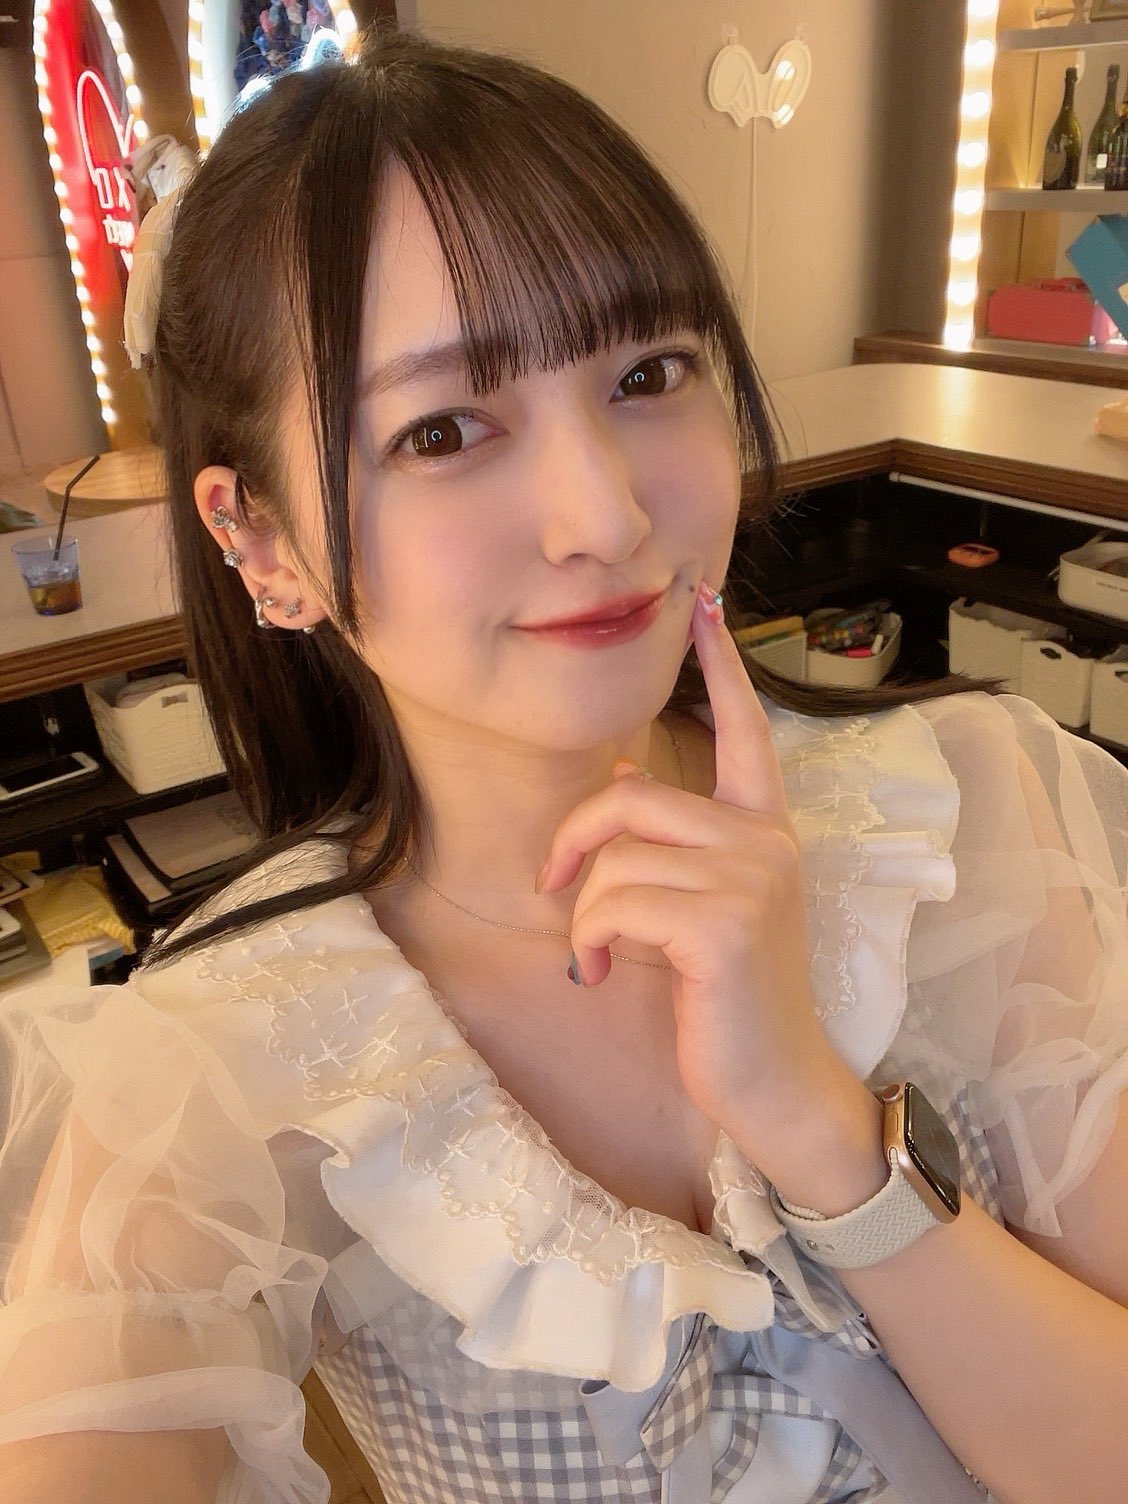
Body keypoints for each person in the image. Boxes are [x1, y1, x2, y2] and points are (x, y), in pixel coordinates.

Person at [1, 23, 1126, 1504]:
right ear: (259, 537)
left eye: (650, 369)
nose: (604, 516)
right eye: (442, 431)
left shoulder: (970, 814)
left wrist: (821, 1128)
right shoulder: (229, 1065)